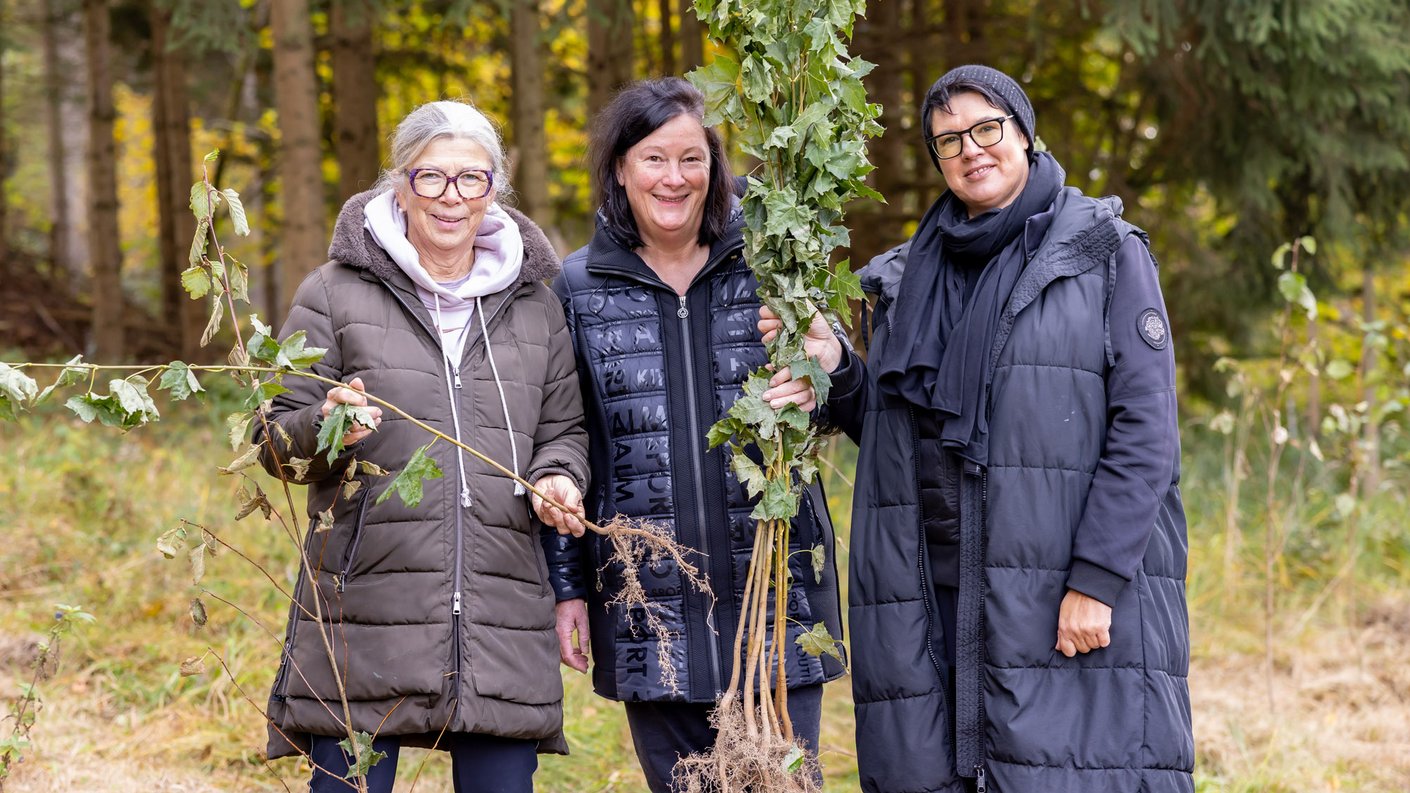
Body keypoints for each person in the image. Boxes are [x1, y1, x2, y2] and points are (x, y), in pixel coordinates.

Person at [761, 64, 1194, 792]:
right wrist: (835, 365)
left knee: (1065, 772)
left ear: (1025, 133)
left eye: (987, 128)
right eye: (949, 140)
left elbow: (1147, 431)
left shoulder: (1105, 252)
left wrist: (1097, 577)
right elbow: (897, 434)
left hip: (1054, 581)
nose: (972, 149)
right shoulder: (908, 277)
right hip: (931, 585)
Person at [254, 99, 590, 793]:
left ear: (495, 187)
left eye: (472, 178)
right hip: (362, 611)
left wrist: (559, 476)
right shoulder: (334, 293)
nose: (451, 197)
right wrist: (328, 426)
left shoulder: (537, 307)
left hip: (501, 614)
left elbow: (561, 430)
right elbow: (275, 442)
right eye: (431, 176)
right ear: (398, 183)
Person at [543, 77, 846, 792]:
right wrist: (568, 587)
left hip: (777, 605)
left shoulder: (775, 268)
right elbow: (562, 441)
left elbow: (837, 410)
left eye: (691, 158)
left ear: (715, 166)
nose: (674, 178)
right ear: (620, 167)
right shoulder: (578, 287)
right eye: (654, 158)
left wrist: (827, 366)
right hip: (649, 610)